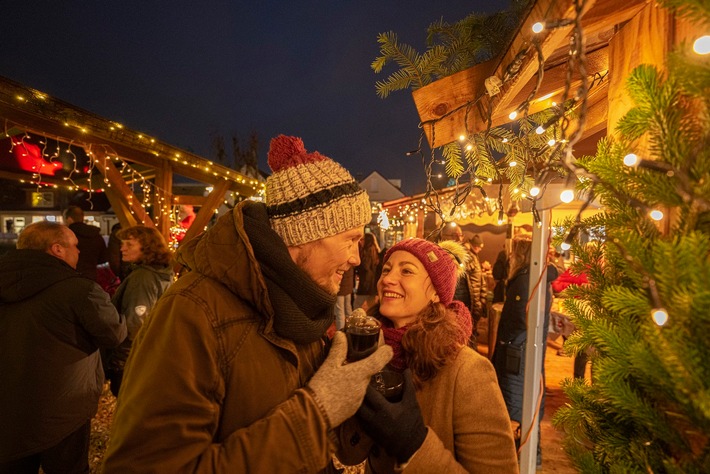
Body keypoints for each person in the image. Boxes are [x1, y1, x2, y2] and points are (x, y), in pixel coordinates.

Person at [102, 135, 392, 472]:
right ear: (306, 234)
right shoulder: (192, 313)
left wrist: (357, 387)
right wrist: (316, 412)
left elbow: (329, 445)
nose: (357, 258)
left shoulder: (299, 305)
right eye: (351, 240)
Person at [337, 237, 518, 473]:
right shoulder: (372, 349)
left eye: (407, 271)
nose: (388, 280)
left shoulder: (468, 370)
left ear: (436, 291)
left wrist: (414, 445)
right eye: (386, 270)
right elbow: (349, 454)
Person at [0, 221, 126, 473]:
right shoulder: (80, 290)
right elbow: (114, 334)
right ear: (57, 249)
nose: (79, 252)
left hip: (8, 404)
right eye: (75, 246)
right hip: (63, 408)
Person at [492, 234, 559, 469]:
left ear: (521, 255)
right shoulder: (535, 278)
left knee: (515, 404)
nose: (510, 256)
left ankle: (517, 460)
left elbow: (523, 317)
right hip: (524, 349)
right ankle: (531, 456)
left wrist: (507, 340)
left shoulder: (525, 279)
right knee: (525, 403)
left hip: (517, 352)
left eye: (513, 252)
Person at [102, 225, 174, 397]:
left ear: (147, 248)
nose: (122, 248)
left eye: (129, 244)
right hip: (149, 356)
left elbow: (135, 324)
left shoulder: (143, 278)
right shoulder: (162, 273)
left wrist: (118, 362)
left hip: (131, 360)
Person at [438, 224, 483, 348]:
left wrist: (479, 307)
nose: (458, 239)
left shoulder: (471, 257)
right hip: (446, 313)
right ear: (443, 236)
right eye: (454, 235)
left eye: (460, 235)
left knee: (469, 349)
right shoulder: (438, 257)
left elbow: (480, 284)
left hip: (469, 311)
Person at [64, 205, 109, 281]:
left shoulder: (65, 235)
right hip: (91, 275)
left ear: (69, 219)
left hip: (69, 275)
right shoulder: (95, 235)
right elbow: (103, 258)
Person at [354, 233, 381, 310]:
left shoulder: (367, 253)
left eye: (362, 240)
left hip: (366, 285)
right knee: (370, 308)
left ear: (367, 241)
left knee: (357, 306)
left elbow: (365, 268)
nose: (360, 242)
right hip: (372, 286)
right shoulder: (375, 251)